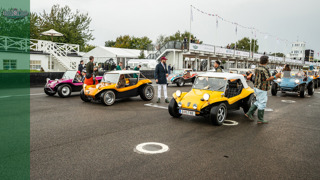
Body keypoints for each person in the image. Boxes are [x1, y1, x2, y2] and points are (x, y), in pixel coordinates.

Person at [245, 56, 281, 124]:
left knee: (258, 101)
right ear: (266, 61)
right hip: (262, 88)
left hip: (256, 86)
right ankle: (260, 119)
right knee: (262, 103)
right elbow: (267, 78)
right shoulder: (265, 68)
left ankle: (249, 113)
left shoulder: (256, 68)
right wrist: (276, 76)